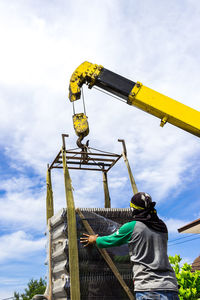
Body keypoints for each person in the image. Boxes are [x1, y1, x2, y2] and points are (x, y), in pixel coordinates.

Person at [80, 192, 179, 300]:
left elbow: (111, 240)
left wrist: (94, 239)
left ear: (134, 209)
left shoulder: (132, 227)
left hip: (148, 288)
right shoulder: (162, 227)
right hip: (170, 286)